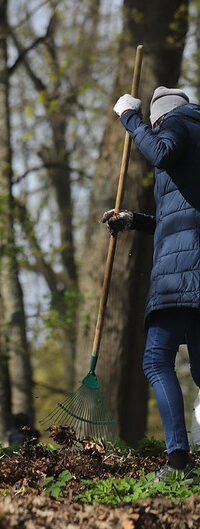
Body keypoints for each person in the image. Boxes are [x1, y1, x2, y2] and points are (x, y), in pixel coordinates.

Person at [106, 86, 200, 481]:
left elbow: (160, 151)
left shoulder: (177, 124)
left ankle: (178, 461)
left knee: (156, 360)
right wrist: (134, 220)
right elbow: (181, 214)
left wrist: (130, 118)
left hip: (182, 271)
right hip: (192, 263)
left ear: (160, 117)